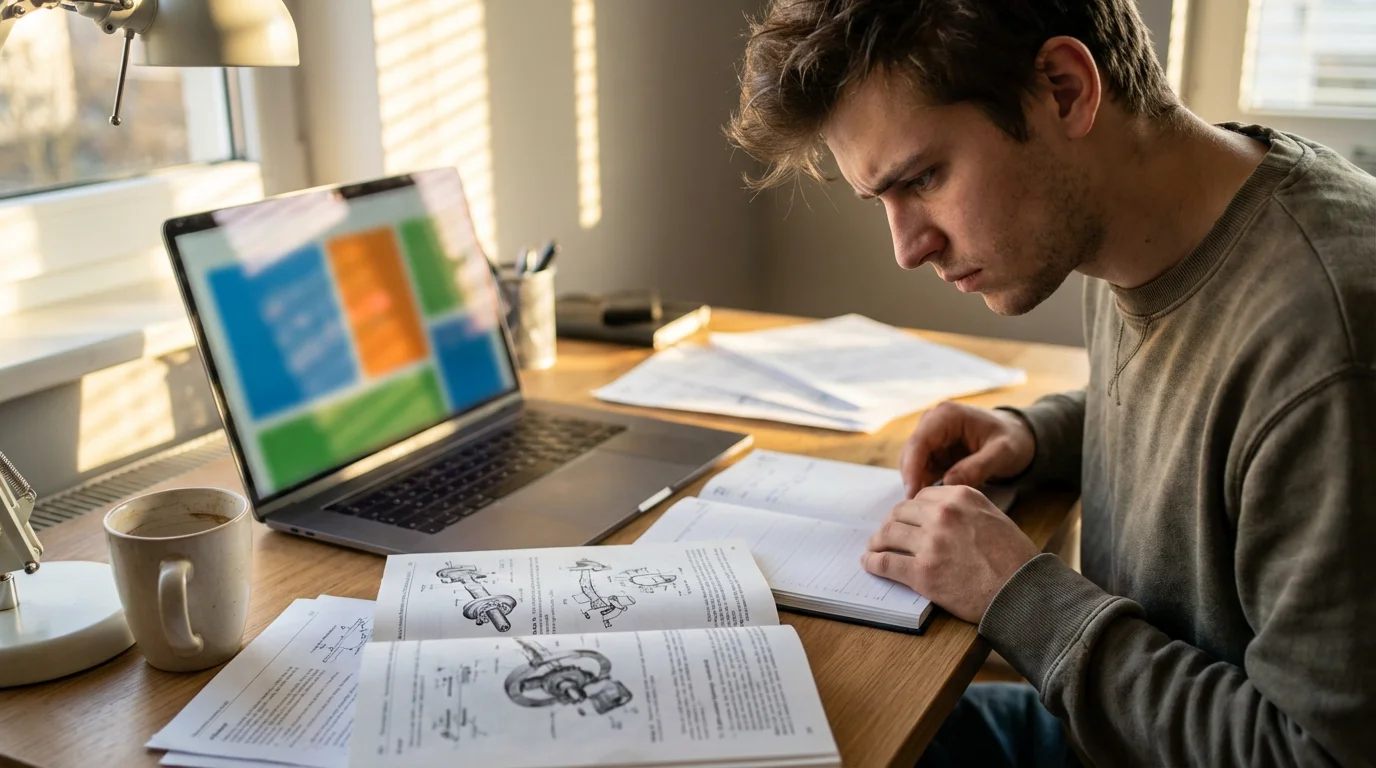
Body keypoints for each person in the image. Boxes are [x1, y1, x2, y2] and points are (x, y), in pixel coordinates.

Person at [724, 1, 1376, 766]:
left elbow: (1316, 755)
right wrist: (1038, 434)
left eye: (924, 178)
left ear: (1065, 90)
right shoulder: (1149, 219)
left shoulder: (1330, 348)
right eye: (882, 201)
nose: (907, 247)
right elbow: (1211, 418)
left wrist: (1022, 596)